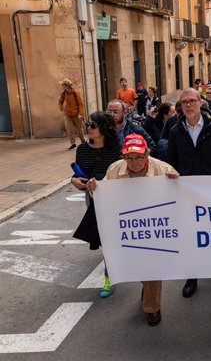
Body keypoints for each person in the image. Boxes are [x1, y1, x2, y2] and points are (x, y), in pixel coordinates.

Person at [87, 134, 179, 326]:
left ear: (147, 155)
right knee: (136, 266)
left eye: (138, 157)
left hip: (155, 229)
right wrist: (94, 189)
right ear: (123, 157)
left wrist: (176, 181)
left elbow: (179, 196)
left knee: (152, 269)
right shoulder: (115, 169)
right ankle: (145, 284)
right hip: (127, 228)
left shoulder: (162, 168)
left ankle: (152, 308)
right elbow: (102, 196)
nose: (134, 162)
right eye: (129, 158)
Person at [167, 87, 211, 297]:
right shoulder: (175, 131)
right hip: (187, 191)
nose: (188, 105)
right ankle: (192, 276)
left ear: (200, 103)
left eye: (192, 101)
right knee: (190, 234)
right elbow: (172, 161)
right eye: (184, 102)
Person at [71, 111, 122, 297]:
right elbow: (78, 175)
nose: (88, 129)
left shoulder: (117, 148)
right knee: (106, 238)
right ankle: (110, 276)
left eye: (93, 125)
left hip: (117, 199)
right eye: (87, 125)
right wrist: (75, 181)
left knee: (116, 236)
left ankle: (118, 269)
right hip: (92, 198)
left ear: (104, 127)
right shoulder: (82, 149)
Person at [58, 78, 86, 150]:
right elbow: (60, 101)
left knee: (78, 129)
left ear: (67, 85)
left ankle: (83, 141)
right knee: (70, 129)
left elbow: (81, 104)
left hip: (76, 114)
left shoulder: (75, 93)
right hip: (68, 114)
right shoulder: (64, 93)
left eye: (63, 85)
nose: (62, 87)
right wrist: (62, 109)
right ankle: (73, 144)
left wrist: (81, 113)